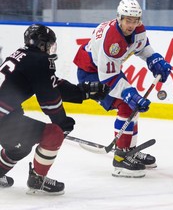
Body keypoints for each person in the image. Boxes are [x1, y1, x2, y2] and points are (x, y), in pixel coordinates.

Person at [0, 24, 109, 195]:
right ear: (41, 44)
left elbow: (51, 84)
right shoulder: (40, 60)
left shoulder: (22, 56)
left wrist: (83, 92)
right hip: (4, 119)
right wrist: (62, 123)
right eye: (49, 44)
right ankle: (38, 179)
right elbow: (49, 100)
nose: (51, 48)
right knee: (53, 133)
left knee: (20, 145)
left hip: (6, 115)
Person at [73, 0, 171, 178]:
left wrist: (154, 60)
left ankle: (129, 150)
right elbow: (108, 78)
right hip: (91, 74)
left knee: (132, 105)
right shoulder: (111, 40)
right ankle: (120, 159)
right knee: (127, 104)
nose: (132, 24)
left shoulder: (138, 29)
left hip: (108, 71)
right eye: (128, 20)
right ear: (119, 18)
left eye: (136, 20)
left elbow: (142, 47)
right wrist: (130, 94)